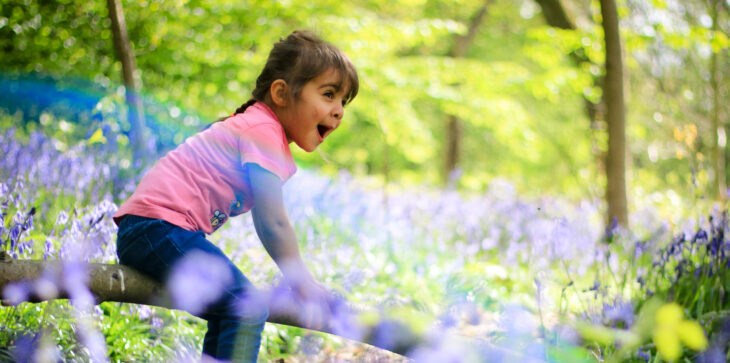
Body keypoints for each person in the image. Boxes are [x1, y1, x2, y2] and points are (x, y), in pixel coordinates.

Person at [113, 30, 359, 362]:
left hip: (153, 230)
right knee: (246, 308)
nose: (339, 110)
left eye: (343, 101)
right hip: (156, 229)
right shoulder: (262, 131)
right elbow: (272, 222)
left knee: (233, 309)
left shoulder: (258, 128)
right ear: (282, 93)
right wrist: (302, 282)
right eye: (329, 94)